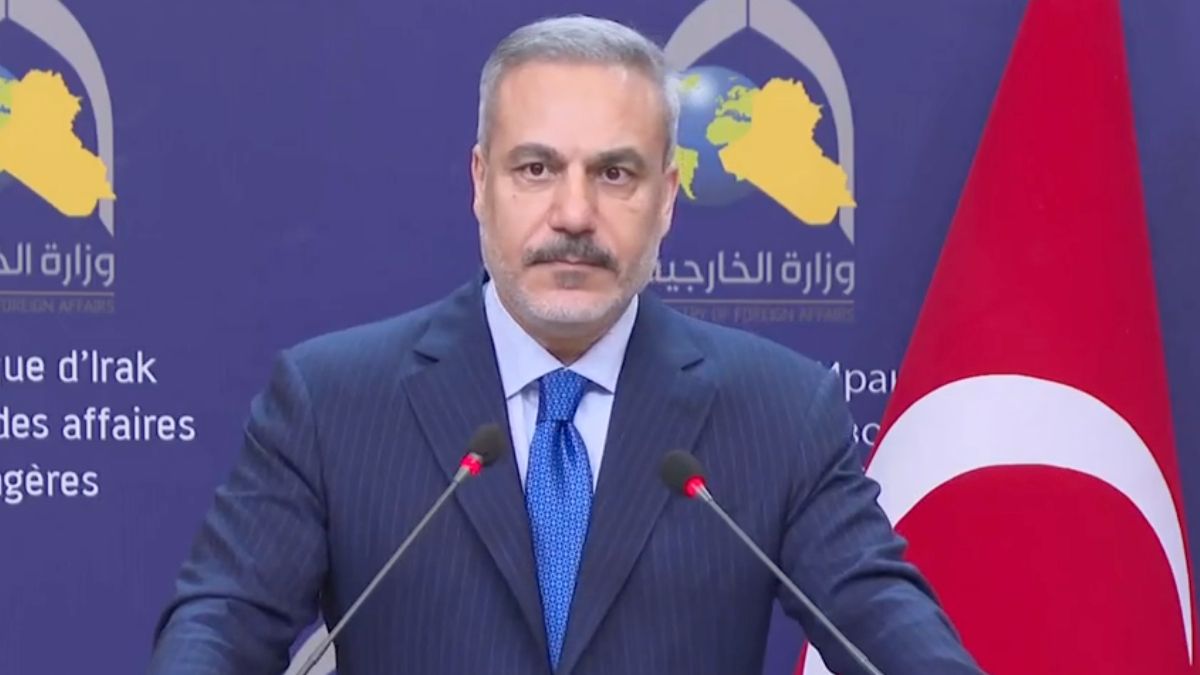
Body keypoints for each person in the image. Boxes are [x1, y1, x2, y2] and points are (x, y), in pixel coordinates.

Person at [149, 14, 982, 675]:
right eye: (536, 169)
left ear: (667, 197)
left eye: (615, 174)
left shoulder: (779, 412)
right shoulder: (332, 402)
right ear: (481, 184)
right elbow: (218, 627)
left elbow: (892, 635)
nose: (575, 214)